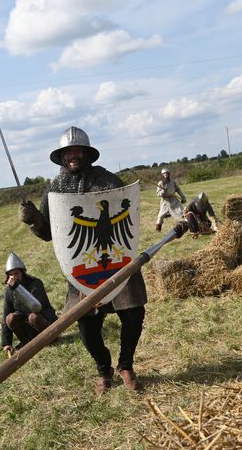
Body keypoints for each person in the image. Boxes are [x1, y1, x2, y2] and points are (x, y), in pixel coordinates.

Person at [18, 126, 147, 393]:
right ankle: (103, 369)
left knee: (134, 314)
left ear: (87, 153)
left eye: (77, 151)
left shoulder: (108, 181)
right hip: (82, 264)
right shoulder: (54, 189)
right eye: (68, 152)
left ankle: (126, 366)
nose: (73, 156)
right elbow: (48, 235)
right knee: (87, 325)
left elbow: (128, 216)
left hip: (115, 257)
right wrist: (34, 220)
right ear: (62, 156)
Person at [0, 252, 58, 358]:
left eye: (16, 273)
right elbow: (5, 316)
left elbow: (36, 307)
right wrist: (6, 342)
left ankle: (48, 340)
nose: (14, 277)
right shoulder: (9, 290)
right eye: (11, 274)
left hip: (44, 324)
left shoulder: (35, 283)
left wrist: (17, 288)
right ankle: (26, 342)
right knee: (10, 318)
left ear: (22, 272)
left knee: (33, 317)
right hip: (29, 330)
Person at [155, 167, 187, 232]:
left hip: (174, 199)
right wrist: (163, 191)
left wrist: (183, 197)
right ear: (162, 175)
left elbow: (178, 189)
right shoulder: (160, 183)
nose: (166, 174)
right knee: (161, 215)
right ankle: (158, 229)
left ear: (169, 174)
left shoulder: (172, 182)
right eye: (164, 174)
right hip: (165, 201)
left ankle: (188, 223)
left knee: (182, 211)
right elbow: (158, 194)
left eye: (167, 173)